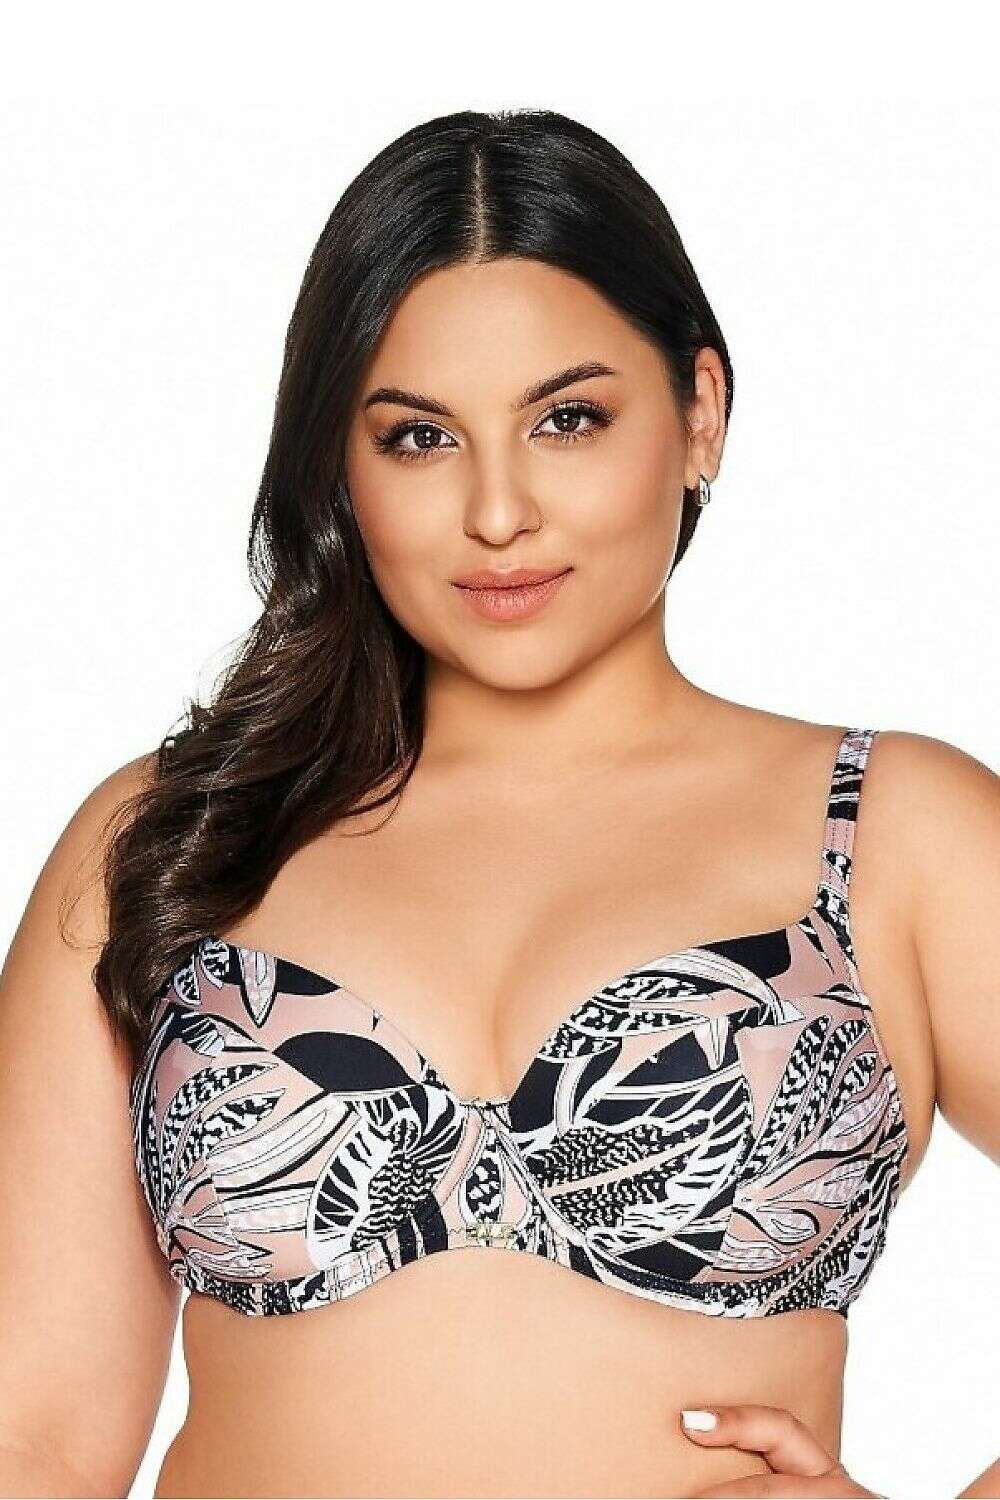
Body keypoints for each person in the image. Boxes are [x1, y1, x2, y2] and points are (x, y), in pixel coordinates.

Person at [0, 107, 996, 1500]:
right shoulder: (175, 838)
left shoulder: (895, 835)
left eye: (568, 419)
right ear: (340, 465)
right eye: (419, 438)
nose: (497, 512)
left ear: (700, 414)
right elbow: (34, 1440)